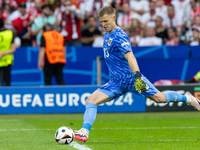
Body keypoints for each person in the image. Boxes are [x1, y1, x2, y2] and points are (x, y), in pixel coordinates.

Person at [72, 6, 200, 143]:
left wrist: (137, 76)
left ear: (114, 18)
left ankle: (188, 98)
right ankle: (84, 132)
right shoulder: (107, 33)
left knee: (160, 99)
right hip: (115, 82)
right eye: (101, 22)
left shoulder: (119, 36)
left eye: (106, 21)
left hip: (131, 80)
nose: (103, 25)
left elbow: (131, 57)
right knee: (90, 101)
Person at [0, 18, 18, 86]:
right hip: (7, 60)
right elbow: (13, 49)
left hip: (6, 61)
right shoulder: (9, 34)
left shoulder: (9, 33)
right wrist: (3, 53)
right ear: (4, 25)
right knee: (7, 81)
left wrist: (1, 53)